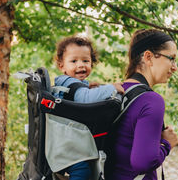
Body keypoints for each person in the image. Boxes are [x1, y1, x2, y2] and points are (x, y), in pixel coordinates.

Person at [105, 29, 178, 180]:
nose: (174, 67)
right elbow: (143, 163)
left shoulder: (114, 91)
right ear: (148, 57)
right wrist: (166, 144)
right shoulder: (151, 100)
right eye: (171, 58)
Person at [53, 36, 124, 180]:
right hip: (67, 146)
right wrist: (111, 88)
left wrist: (93, 87)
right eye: (74, 61)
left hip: (69, 142)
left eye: (86, 61)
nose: (81, 65)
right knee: (82, 170)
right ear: (62, 66)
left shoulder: (72, 83)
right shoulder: (68, 83)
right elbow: (85, 98)